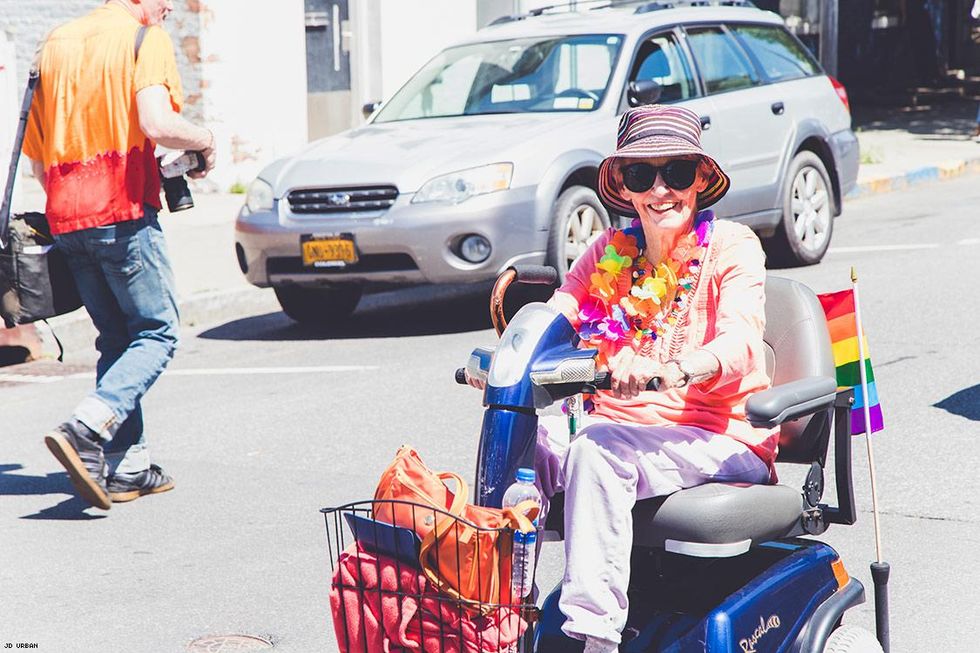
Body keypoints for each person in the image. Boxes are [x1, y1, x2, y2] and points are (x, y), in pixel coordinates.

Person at [533, 104, 775, 653]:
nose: (661, 190)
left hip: (719, 433)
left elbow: (741, 341)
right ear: (624, 186)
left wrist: (673, 369)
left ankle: (594, 638)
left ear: (702, 179)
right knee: (524, 440)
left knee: (597, 450)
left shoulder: (732, 245)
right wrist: (513, 358)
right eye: (642, 174)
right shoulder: (607, 252)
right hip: (620, 430)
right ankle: (499, 613)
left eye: (678, 172)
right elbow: (556, 316)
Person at [24, 0, 215, 510]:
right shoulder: (143, 39)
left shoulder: (56, 44)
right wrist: (205, 139)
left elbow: (38, 161)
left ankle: (127, 466)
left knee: (116, 338)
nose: (169, 6)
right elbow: (156, 122)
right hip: (122, 210)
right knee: (158, 331)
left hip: (66, 216)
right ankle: (87, 427)